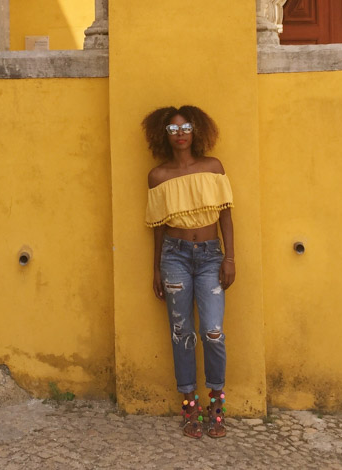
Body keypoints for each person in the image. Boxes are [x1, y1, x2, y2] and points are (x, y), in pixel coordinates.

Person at [142, 105, 235, 439]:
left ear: (197, 131)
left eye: (185, 128)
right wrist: (155, 268)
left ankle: (217, 405)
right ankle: (190, 407)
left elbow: (225, 215)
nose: (179, 134)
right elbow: (157, 227)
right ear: (163, 135)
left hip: (211, 257)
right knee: (181, 334)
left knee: (212, 331)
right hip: (174, 257)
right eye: (172, 130)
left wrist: (229, 258)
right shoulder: (158, 176)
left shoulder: (213, 168)